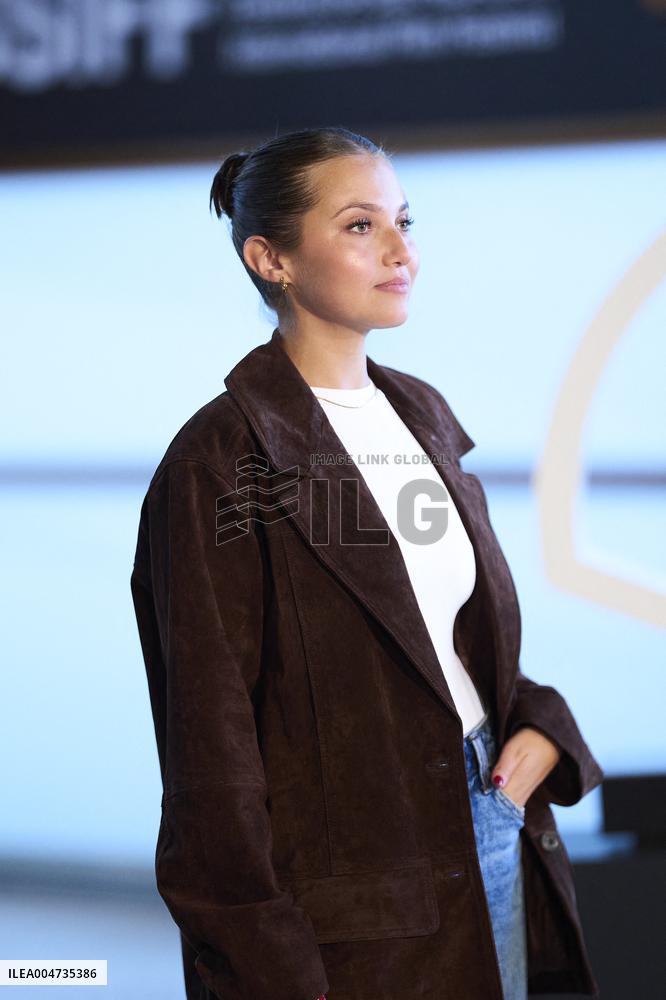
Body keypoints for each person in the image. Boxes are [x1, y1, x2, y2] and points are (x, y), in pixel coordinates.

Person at [130, 126, 604, 1000]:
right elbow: (210, 749)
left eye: (404, 221)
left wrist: (538, 727)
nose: (402, 252)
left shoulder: (422, 415)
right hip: (350, 893)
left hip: (493, 827)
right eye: (359, 226)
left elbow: (447, 643)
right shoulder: (220, 460)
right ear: (270, 258)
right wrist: (258, 954)